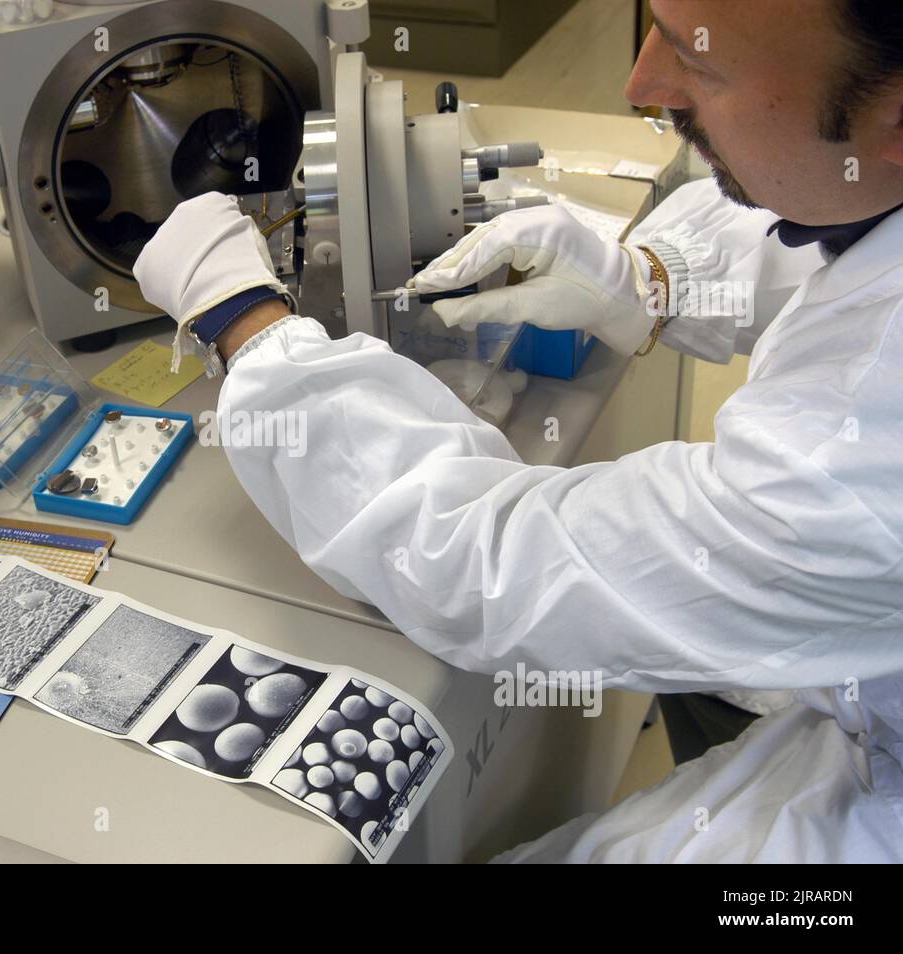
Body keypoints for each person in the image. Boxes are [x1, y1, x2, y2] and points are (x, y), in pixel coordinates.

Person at [132, 0, 903, 862]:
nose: (640, 82)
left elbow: (488, 561)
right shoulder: (871, 162)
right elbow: (843, 200)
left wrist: (245, 322)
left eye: (700, 58)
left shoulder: (858, 458)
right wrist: (650, 276)